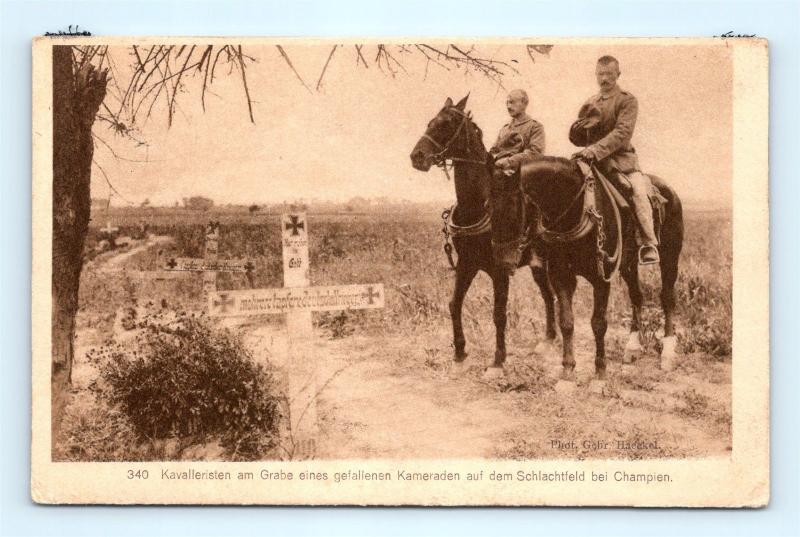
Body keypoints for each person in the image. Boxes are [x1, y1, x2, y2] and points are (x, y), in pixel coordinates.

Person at [570, 55, 660, 265]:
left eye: (609, 74)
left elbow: (622, 133)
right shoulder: (590, 103)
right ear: (595, 75)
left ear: (618, 74)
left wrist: (595, 150)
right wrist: (575, 135)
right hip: (592, 161)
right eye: (600, 74)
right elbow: (582, 138)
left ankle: (648, 243)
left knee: (638, 192)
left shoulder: (627, 100)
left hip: (622, 162)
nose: (604, 78)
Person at [490, 89, 545, 177]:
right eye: (507, 103)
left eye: (512, 102)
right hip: (498, 171)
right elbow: (494, 150)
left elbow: (535, 152)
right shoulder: (504, 129)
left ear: (524, 103)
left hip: (522, 176)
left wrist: (510, 161)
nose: (508, 106)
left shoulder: (535, 127)